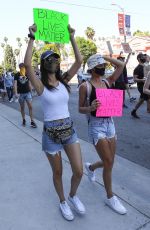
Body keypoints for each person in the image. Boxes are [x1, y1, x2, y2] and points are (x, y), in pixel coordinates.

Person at [24, 24, 85, 221]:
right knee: (58, 172)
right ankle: (62, 201)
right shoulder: (40, 86)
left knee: (78, 170)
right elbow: (26, 63)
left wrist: (72, 36)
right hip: (50, 134)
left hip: (69, 130)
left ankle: (73, 196)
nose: (54, 61)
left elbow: (79, 60)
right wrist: (32, 38)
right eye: (49, 59)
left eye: (56, 58)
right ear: (43, 64)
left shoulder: (65, 81)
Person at [79, 53, 127, 215]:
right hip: (96, 126)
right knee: (108, 162)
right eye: (99, 66)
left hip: (110, 124)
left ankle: (91, 167)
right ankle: (110, 197)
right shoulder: (85, 86)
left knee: (110, 161)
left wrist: (105, 58)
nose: (103, 68)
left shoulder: (107, 82)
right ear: (92, 69)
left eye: (103, 65)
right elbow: (80, 109)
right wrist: (90, 107)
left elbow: (121, 65)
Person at [14, 63, 37, 128]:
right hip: (20, 94)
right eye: (21, 67)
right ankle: (24, 119)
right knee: (22, 108)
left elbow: (29, 83)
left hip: (27, 93)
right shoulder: (17, 75)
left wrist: (32, 90)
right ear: (19, 67)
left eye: (23, 67)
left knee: (30, 107)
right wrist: (16, 93)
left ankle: (32, 121)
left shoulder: (27, 74)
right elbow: (15, 84)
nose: (23, 68)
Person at [131, 53, 150, 118]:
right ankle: (148, 110)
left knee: (142, 99)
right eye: (142, 57)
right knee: (148, 99)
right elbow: (134, 79)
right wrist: (142, 80)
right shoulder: (137, 68)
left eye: (144, 57)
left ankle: (134, 111)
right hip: (141, 86)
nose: (144, 58)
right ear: (139, 59)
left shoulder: (146, 66)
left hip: (147, 85)